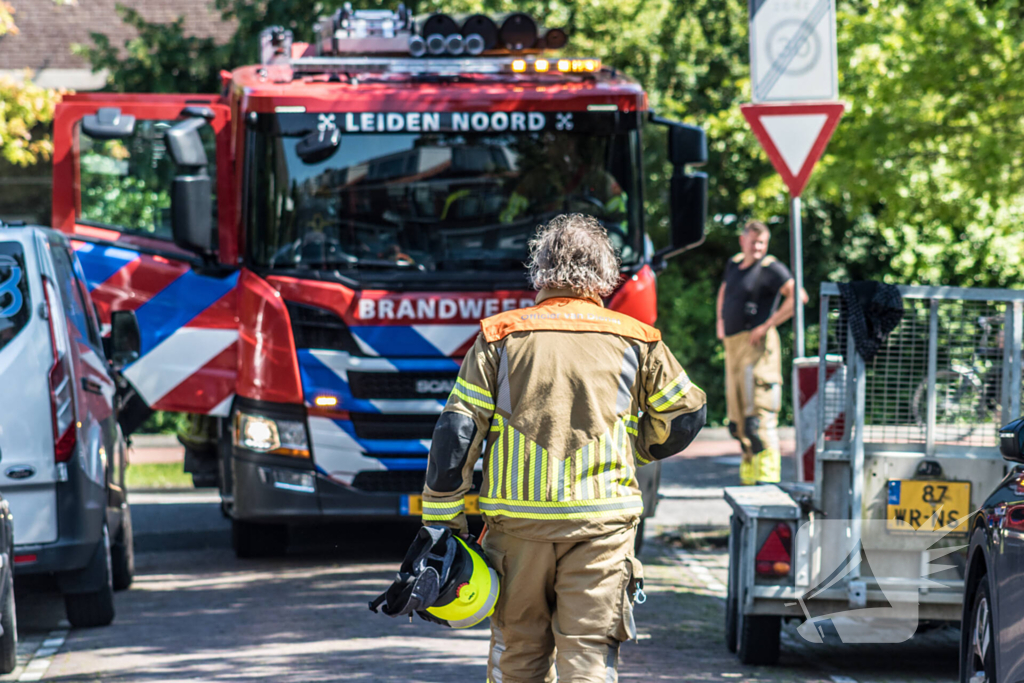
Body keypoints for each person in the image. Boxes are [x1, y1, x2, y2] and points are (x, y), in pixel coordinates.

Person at [421, 214, 706, 682]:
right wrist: (633, 449)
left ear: (540, 270)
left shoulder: (499, 338)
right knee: (589, 657)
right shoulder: (637, 339)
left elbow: (457, 433)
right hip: (602, 528)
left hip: (518, 530)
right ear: (606, 272)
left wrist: (442, 523)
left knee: (517, 654)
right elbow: (686, 414)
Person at [716, 220, 805, 486]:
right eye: (754, 242)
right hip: (733, 346)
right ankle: (749, 478)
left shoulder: (771, 268)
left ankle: (767, 480)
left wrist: (767, 325)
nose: (758, 248)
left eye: (762, 243)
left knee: (758, 418)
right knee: (737, 422)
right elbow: (724, 291)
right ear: (743, 241)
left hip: (757, 348)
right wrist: (720, 321)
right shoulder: (734, 264)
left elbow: (798, 297)